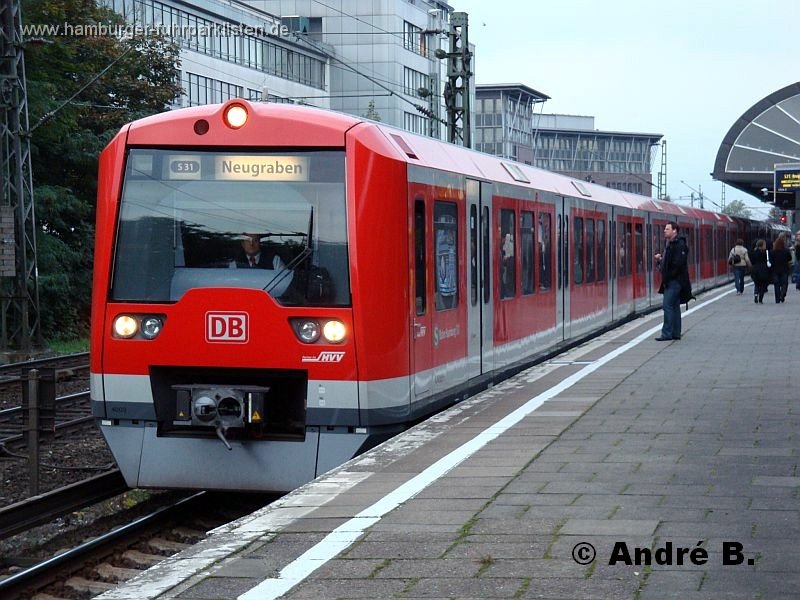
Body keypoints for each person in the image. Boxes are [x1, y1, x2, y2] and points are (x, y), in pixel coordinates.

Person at [653, 221, 689, 341]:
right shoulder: (672, 244)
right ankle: (676, 333)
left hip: (674, 281)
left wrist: (668, 276)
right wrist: (661, 260)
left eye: (667, 229)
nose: (664, 231)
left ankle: (667, 333)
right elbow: (671, 261)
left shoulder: (678, 245)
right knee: (674, 307)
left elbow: (677, 264)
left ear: (674, 231)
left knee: (667, 306)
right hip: (674, 280)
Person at [769, 234, 791, 303]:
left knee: (776, 284)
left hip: (775, 270)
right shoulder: (786, 251)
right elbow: (789, 258)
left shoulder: (772, 252)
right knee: (785, 283)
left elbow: (770, 261)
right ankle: (782, 294)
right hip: (784, 269)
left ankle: (777, 299)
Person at [749, 239, 770, 304]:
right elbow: (767, 260)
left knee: (757, 283)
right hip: (763, 269)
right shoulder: (765, 252)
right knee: (762, 284)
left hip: (755, 269)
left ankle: (756, 295)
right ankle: (760, 299)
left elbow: (751, 260)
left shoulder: (753, 252)